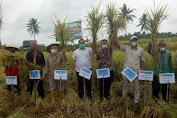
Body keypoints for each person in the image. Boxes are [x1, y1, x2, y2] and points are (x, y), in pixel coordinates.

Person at [112, 36, 145, 104]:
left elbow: (142, 61)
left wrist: (142, 72)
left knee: (136, 88)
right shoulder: (126, 48)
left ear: (137, 41)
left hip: (136, 72)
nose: (134, 42)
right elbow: (117, 44)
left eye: (135, 40)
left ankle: (136, 101)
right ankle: (123, 100)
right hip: (127, 71)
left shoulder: (141, 50)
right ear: (130, 41)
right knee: (125, 87)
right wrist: (114, 33)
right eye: (132, 40)